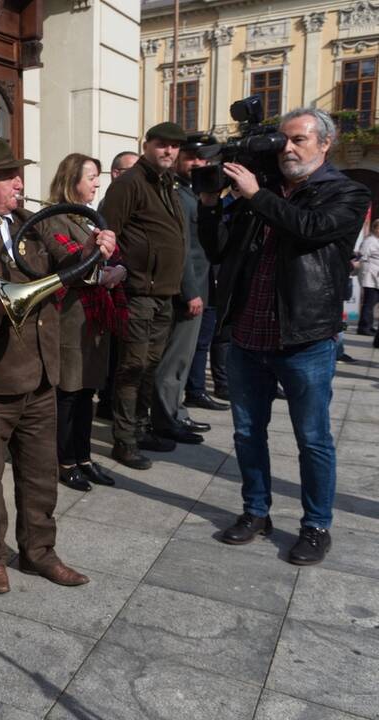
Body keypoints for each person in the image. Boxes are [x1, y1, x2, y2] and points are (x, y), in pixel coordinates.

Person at [0, 137, 116, 595]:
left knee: (40, 473)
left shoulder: (31, 223)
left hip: (42, 373)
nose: (19, 183)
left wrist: (94, 249)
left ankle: (39, 552)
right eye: (9, 176)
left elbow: (71, 267)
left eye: (18, 174)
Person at [199, 107, 369, 565]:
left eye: (299, 140)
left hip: (305, 338)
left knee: (312, 438)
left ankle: (316, 526)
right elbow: (219, 249)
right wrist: (211, 204)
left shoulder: (347, 191)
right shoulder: (264, 189)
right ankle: (256, 512)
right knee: (247, 432)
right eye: (283, 140)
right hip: (247, 335)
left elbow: (310, 229)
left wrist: (256, 195)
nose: (287, 149)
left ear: (325, 143)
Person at [100, 122, 188, 470]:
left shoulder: (167, 184)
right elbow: (107, 234)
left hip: (163, 293)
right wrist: (120, 272)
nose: (169, 151)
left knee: (150, 367)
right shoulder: (129, 183)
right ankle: (124, 441)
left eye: (174, 146)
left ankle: (139, 429)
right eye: (162, 144)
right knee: (132, 368)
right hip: (137, 293)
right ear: (146, 145)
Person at [39, 153, 127, 492]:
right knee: (69, 393)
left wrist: (119, 270)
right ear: (72, 179)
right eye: (91, 177)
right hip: (70, 318)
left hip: (94, 319)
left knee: (87, 391)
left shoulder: (91, 217)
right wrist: (101, 272)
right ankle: (65, 461)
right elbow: (66, 264)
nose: (97, 183)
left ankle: (84, 458)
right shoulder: (54, 219)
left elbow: (114, 256)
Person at [151, 133, 224, 444]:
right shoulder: (177, 194)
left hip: (199, 287)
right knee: (175, 359)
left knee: (184, 357)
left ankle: (176, 412)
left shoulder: (195, 192)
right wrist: (190, 291)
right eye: (192, 157)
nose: (198, 163)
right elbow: (180, 250)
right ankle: (166, 419)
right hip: (185, 291)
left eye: (203, 158)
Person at [95, 149, 140, 419]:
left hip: (123, 279)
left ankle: (109, 400)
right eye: (131, 171)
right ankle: (107, 401)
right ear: (116, 173)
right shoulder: (111, 202)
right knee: (114, 351)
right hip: (111, 284)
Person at [356, 218, 379, 335]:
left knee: (372, 302)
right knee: (369, 302)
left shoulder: (376, 241)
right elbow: (362, 257)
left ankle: (368, 325)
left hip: (375, 277)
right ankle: (364, 327)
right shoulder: (370, 241)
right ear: (375, 228)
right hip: (370, 276)